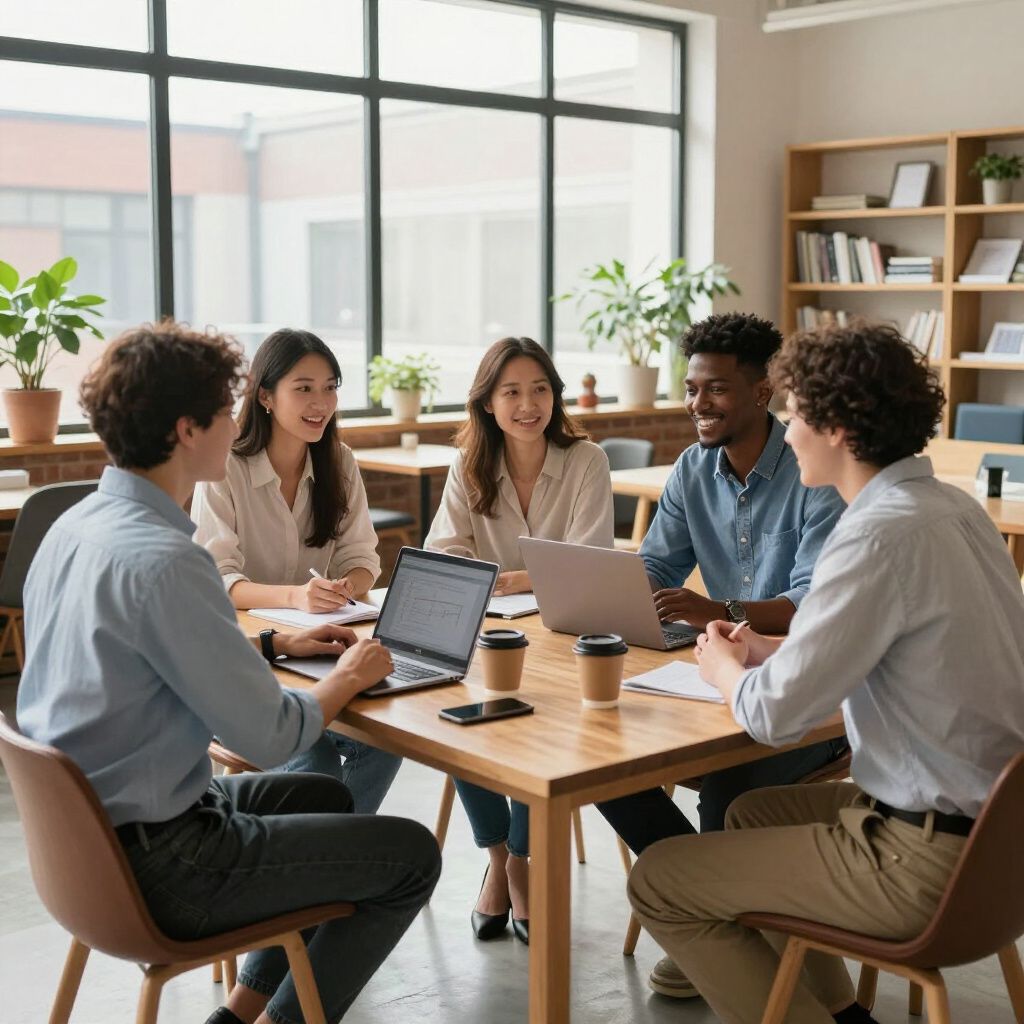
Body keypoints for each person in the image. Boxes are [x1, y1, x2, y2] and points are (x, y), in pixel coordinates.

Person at [16, 321, 441, 1024]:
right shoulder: (166, 560)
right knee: (412, 855)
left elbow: (144, 657)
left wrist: (274, 650)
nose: (234, 422)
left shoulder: (75, 527)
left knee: (324, 799)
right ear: (187, 430)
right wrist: (350, 674)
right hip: (167, 862)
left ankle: (239, 1014)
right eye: (225, 409)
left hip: (87, 849)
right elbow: (271, 734)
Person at [628, 320, 1024, 1024]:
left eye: (796, 413)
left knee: (660, 881)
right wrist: (764, 650)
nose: (788, 428)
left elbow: (772, 719)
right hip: (996, 841)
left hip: (921, 862)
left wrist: (723, 665)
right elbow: (883, 650)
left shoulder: (872, 535)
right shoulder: (953, 511)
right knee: (750, 814)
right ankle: (844, 1014)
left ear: (838, 427)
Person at [594, 311, 847, 998]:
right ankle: (711, 921)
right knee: (607, 769)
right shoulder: (690, 469)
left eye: (717, 390)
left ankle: (708, 926)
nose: (698, 404)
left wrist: (717, 611)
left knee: (731, 783)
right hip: (714, 677)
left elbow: (811, 603)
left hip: (806, 695)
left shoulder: (814, 472)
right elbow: (654, 567)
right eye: (691, 387)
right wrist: (609, 592)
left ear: (762, 392)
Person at [425, 335, 614, 944]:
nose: (528, 404)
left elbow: (589, 563)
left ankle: (522, 864)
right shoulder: (467, 466)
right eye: (511, 392)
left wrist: (512, 580)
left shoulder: (587, 461)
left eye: (540, 389)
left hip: (561, 637)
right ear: (487, 403)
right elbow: (442, 556)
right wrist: (507, 585)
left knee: (543, 732)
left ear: (555, 396)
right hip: (487, 639)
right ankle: (502, 858)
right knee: (454, 712)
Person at [193, 328, 401, 814]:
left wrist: (348, 587)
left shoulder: (340, 462)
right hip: (244, 665)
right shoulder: (224, 467)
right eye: (303, 388)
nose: (321, 402)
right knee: (318, 764)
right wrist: (295, 598)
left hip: (321, 651)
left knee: (387, 738)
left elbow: (362, 556)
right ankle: (335, 861)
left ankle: (337, 854)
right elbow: (218, 582)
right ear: (265, 395)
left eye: (330, 386)